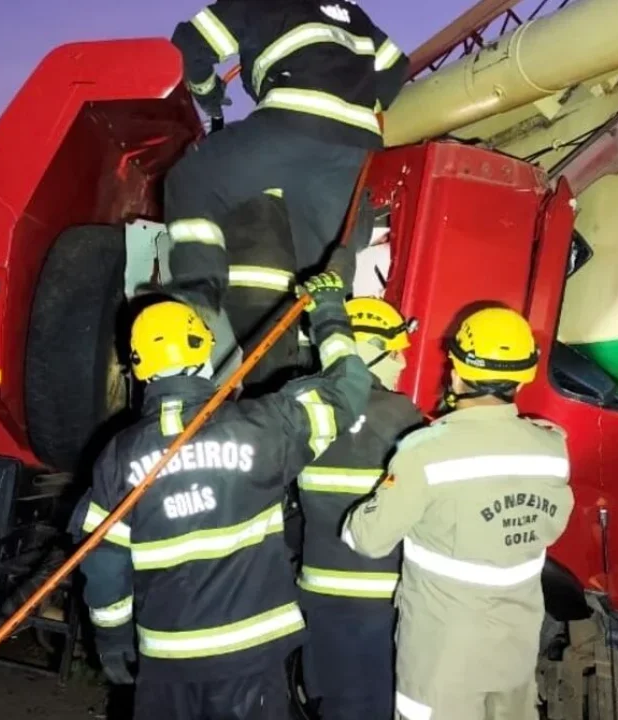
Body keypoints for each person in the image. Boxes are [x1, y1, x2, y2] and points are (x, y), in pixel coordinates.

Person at [73, 269, 372, 720]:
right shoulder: (264, 428)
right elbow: (348, 387)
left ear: (137, 366)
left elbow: (103, 561)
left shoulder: (119, 456)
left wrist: (112, 638)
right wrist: (328, 309)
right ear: (205, 348)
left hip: (167, 659)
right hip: (250, 657)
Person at [341, 306, 575, 720]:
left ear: (456, 373)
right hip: (517, 643)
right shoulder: (552, 448)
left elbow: (370, 539)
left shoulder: (426, 451)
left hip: (443, 654)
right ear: (524, 376)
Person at [163, 0, 410, 378]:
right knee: (323, 272)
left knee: (192, 181)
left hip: (292, 118)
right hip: (353, 147)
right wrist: (356, 102)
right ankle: (320, 366)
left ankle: (198, 296)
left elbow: (190, 44)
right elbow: (396, 69)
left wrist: (207, 91)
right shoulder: (353, 14)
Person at [296, 296, 424, 720]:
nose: (402, 363)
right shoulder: (402, 415)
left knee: (331, 702)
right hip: (379, 597)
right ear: (366, 351)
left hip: (318, 592)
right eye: (395, 351)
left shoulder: (302, 409)